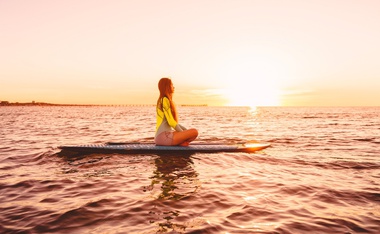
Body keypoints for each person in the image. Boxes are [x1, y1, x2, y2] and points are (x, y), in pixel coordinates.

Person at [155, 78, 198, 146]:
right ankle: (181, 142)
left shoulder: (162, 100)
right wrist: (184, 135)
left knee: (190, 132)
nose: (173, 87)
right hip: (164, 137)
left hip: (163, 136)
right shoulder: (164, 100)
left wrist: (185, 132)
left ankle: (181, 143)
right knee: (194, 132)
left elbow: (175, 123)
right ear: (167, 86)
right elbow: (171, 122)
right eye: (172, 85)